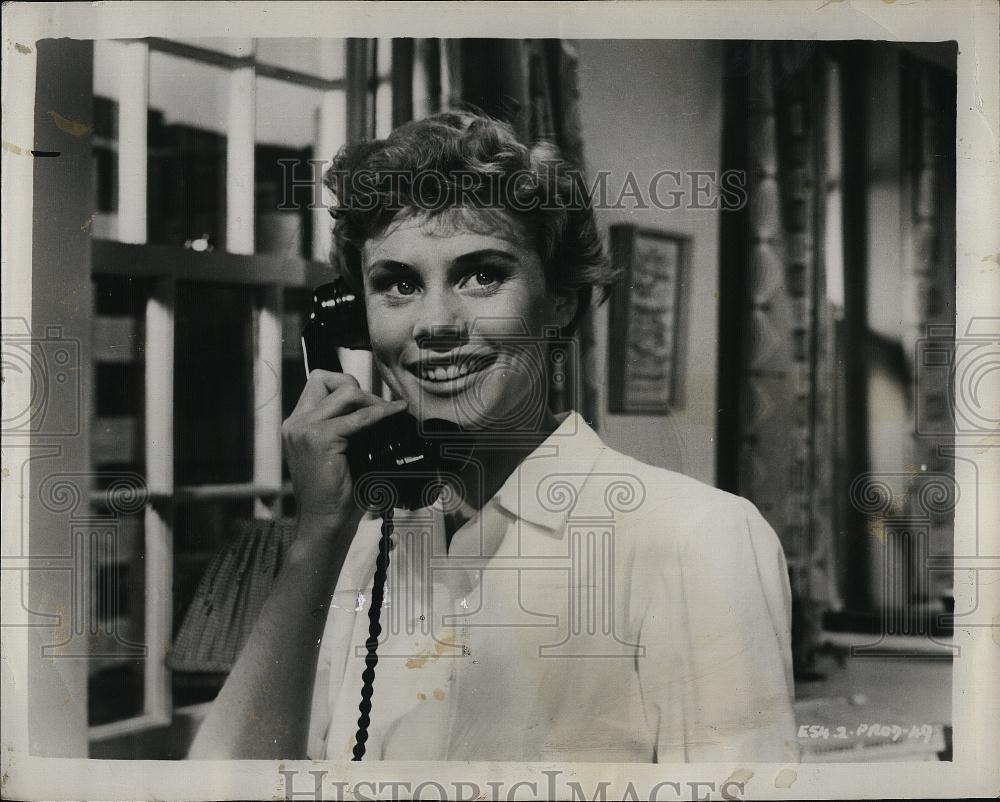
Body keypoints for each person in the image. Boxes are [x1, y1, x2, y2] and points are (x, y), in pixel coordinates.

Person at [188, 110, 797, 762]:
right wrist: (318, 537)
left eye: (481, 275)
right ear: (357, 321)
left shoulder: (696, 540)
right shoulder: (366, 548)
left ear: (560, 298)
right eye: (397, 284)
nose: (437, 323)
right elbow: (221, 786)